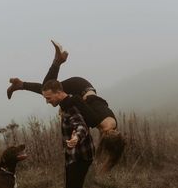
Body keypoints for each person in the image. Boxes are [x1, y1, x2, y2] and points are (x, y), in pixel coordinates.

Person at [7, 41, 125, 171]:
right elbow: (76, 101)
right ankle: (57, 61)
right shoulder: (98, 121)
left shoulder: (113, 126)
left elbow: (85, 110)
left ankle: (21, 84)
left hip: (84, 88)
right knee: (48, 89)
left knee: (46, 89)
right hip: (79, 87)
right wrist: (63, 106)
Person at [42, 79, 105, 188]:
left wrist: (76, 137)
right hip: (73, 154)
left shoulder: (70, 105)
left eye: (48, 98)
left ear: (58, 92)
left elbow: (81, 125)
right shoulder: (66, 104)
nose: (47, 102)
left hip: (81, 154)